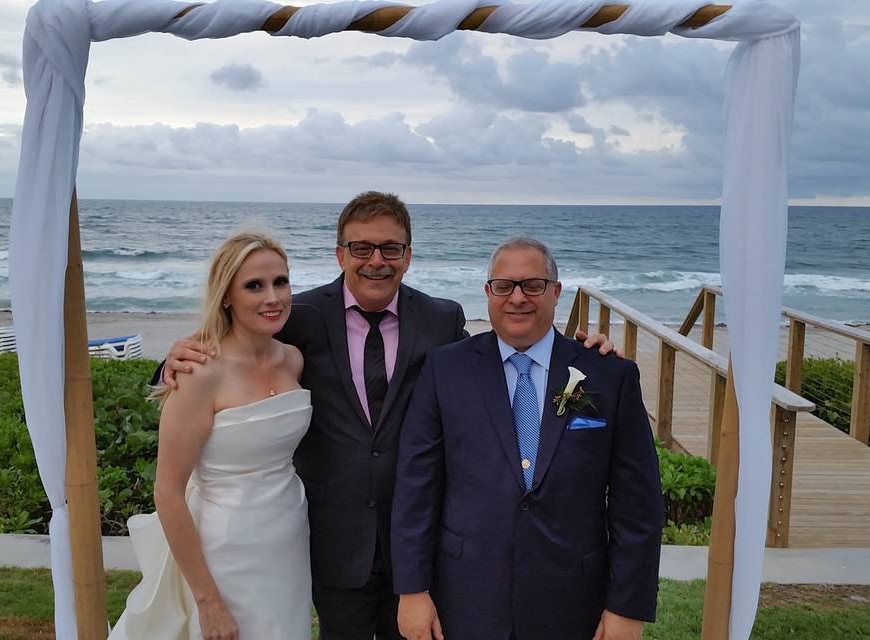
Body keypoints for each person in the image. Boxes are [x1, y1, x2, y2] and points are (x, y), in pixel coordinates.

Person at [160, 194, 618, 640]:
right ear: (341, 255)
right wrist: (171, 361)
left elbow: (493, 360)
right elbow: (233, 345)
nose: (375, 260)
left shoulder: (441, 319)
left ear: (408, 256)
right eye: (361, 248)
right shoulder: (298, 315)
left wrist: (578, 358)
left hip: (418, 539)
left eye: (390, 248)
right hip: (332, 537)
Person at [391, 237, 663, 640]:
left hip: (573, 600)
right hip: (465, 597)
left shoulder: (609, 375)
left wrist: (627, 606)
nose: (517, 298)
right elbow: (417, 486)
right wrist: (412, 590)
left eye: (532, 285)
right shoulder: (445, 369)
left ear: (556, 291)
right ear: (488, 293)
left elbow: (637, 504)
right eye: (504, 286)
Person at [111, 231, 312, 640]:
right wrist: (208, 601)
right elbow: (167, 491)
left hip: (289, 535)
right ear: (226, 295)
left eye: (281, 282)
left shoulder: (292, 360)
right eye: (253, 286)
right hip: (225, 548)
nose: (272, 297)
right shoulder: (199, 372)